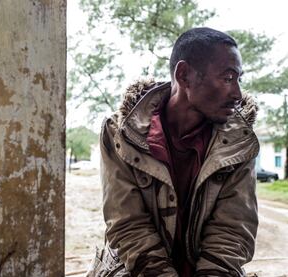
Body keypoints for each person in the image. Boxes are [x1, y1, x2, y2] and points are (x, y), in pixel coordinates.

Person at [90, 27, 259, 277]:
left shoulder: (239, 142)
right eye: (227, 78)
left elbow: (232, 232)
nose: (237, 93)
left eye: (238, 79)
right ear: (184, 75)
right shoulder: (121, 134)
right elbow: (128, 227)